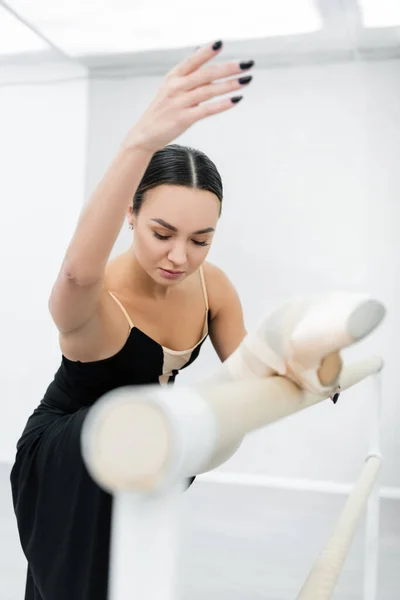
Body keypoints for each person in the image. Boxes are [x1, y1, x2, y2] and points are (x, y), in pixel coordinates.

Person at [10, 40, 256, 600]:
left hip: (146, 443)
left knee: (134, 579)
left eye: (201, 240)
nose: (179, 256)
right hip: (70, 455)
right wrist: (140, 143)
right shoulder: (94, 300)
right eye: (162, 233)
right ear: (131, 215)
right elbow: (75, 275)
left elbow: (249, 376)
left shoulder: (211, 285)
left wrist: (307, 365)